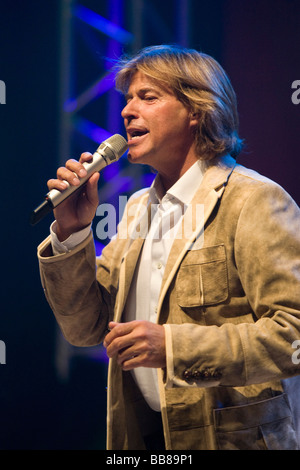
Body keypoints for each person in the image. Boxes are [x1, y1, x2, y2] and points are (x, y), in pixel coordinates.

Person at [37, 45, 300, 450]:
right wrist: (72, 232)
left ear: (196, 110)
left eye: (148, 97)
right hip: (143, 438)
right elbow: (85, 328)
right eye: (127, 99)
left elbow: (293, 335)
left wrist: (173, 347)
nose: (127, 111)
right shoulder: (138, 208)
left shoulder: (253, 200)